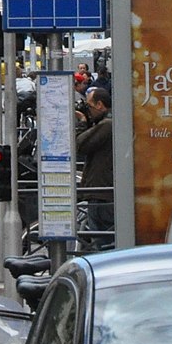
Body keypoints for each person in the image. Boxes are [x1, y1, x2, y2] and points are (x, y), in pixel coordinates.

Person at [76, 86, 114, 241]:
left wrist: (82, 122)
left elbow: (79, 145)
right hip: (104, 192)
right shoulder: (109, 123)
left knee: (101, 241)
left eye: (89, 106)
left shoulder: (106, 125)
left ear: (99, 105)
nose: (88, 111)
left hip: (101, 195)